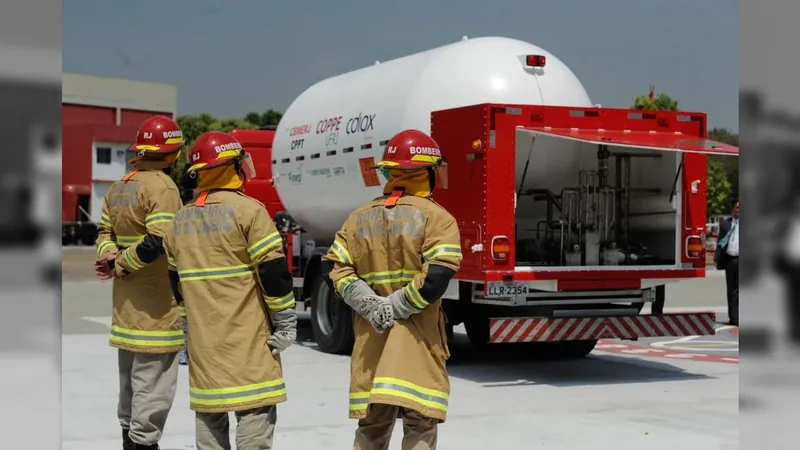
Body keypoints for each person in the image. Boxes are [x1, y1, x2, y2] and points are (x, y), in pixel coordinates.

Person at [322, 129, 463, 450]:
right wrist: (396, 307)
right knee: (420, 424)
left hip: (373, 345)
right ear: (428, 171)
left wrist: (371, 305)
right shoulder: (438, 219)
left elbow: (337, 270)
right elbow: (436, 277)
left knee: (371, 428)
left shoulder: (358, 218)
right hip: (417, 343)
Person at [162, 131, 297, 450]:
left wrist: (185, 327)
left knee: (209, 421)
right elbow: (274, 274)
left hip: (205, 350)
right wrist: (287, 323)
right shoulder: (250, 211)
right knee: (254, 415)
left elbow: (176, 284)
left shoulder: (179, 221)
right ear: (230, 167)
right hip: (247, 346)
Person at [94, 115, 186, 450]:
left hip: (126, 315)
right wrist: (120, 265)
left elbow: (104, 233)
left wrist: (108, 258)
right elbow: (158, 240)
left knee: (129, 395)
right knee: (151, 395)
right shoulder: (162, 188)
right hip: (156, 314)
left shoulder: (119, 187)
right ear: (172, 153)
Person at [714, 199, 739, 326]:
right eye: (737, 208)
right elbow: (720, 242)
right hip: (730, 260)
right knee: (732, 290)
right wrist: (716, 258)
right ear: (733, 209)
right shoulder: (725, 224)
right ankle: (734, 318)